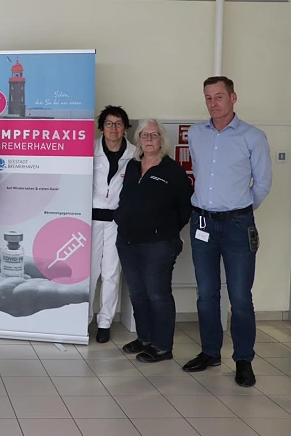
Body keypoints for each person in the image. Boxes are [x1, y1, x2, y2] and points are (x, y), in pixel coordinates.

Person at [183, 76, 272, 387]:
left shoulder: (253, 137)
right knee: (206, 294)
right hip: (203, 223)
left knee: (240, 297)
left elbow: (262, 185)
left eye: (219, 96)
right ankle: (210, 352)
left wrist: (239, 210)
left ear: (233, 98)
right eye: (208, 97)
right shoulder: (196, 133)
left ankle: (244, 359)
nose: (212, 103)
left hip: (237, 225)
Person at [115, 119, 192, 363]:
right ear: (138, 139)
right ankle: (145, 338)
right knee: (138, 294)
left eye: (154, 135)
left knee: (157, 295)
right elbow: (125, 199)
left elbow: (185, 208)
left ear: (162, 140)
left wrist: (164, 230)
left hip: (158, 245)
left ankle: (162, 346)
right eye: (144, 135)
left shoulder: (172, 170)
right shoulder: (132, 166)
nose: (149, 139)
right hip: (128, 242)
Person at [90, 105, 136, 344]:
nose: (114, 128)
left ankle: (104, 322)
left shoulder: (135, 155)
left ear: (125, 128)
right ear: (101, 127)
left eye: (119, 124)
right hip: (90, 220)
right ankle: (83, 318)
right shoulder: (89, 150)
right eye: (109, 123)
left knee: (111, 273)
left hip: (117, 222)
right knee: (89, 273)